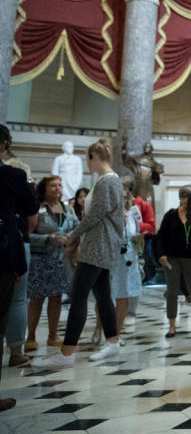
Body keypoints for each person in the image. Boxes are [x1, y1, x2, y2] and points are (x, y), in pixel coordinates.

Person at [33, 139, 125, 368]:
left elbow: (94, 216)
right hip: (99, 243)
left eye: (88, 159)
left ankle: (67, 353)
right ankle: (113, 341)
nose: (87, 163)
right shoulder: (107, 181)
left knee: (79, 295)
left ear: (93, 157)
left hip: (98, 245)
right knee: (102, 295)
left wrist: (73, 235)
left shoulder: (107, 182)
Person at [1, 124, 40, 411]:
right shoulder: (12, 176)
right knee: (13, 303)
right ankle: (16, 350)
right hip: (4, 253)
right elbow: (31, 212)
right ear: (4, 145)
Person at [26, 176, 78, 351]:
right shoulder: (38, 209)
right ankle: (31, 336)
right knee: (37, 299)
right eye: (53, 185)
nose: (58, 188)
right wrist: (47, 238)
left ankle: (53, 335)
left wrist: (73, 240)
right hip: (40, 260)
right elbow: (26, 235)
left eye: (60, 185)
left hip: (61, 260)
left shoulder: (68, 209)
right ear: (45, 188)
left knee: (56, 298)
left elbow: (77, 228)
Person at [155, 185, 191, 339]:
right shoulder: (171, 215)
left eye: (188, 196)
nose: (185, 200)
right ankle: (172, 325)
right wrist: (161, 255)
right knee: (172, 291)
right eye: (183, 196)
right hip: (173, 258)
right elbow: (160, 236)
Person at [110, 179, 143, 337]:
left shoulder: (132, 215)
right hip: (112, 260)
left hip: (129, 261)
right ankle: (101, 329)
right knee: (108, 297)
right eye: (120, 197)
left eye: (125, 197)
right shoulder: (109, 216)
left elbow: (136, 238)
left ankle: (116, 333)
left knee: (123, 297)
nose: (123, 200)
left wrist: (139, 249)